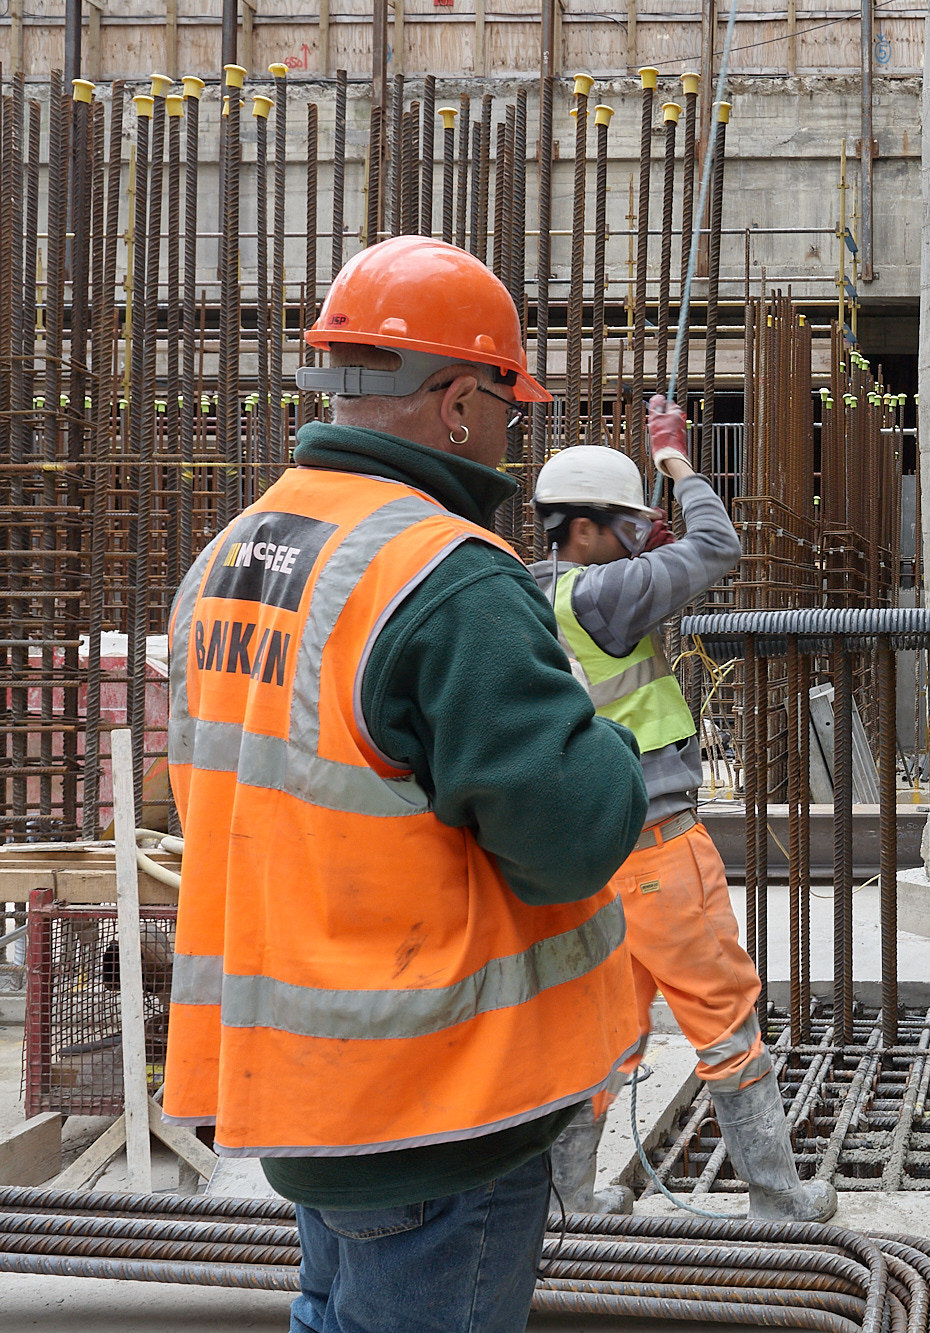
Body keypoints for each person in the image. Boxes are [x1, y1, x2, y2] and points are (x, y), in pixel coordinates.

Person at [165, 235, 652, 1333]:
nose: (507, 436)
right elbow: (568, 833)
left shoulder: (232, 556)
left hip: (313, 1093)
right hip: (438, 1101)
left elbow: (232, 798)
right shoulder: (447, 575)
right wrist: (619, 757)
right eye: (506, 405)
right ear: (458, 400)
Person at [528, 413, 836, 1223]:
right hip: (660, 847)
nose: (637, 539)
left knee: (600, 1032)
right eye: (624, 525)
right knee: (725, 1017)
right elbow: (718, 548)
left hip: (590, 858)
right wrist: (678, 464)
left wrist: (644, 540)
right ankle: (778, 1196)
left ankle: (571, 1202)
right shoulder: (608, 589)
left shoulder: (537, 588)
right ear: (586, 529)